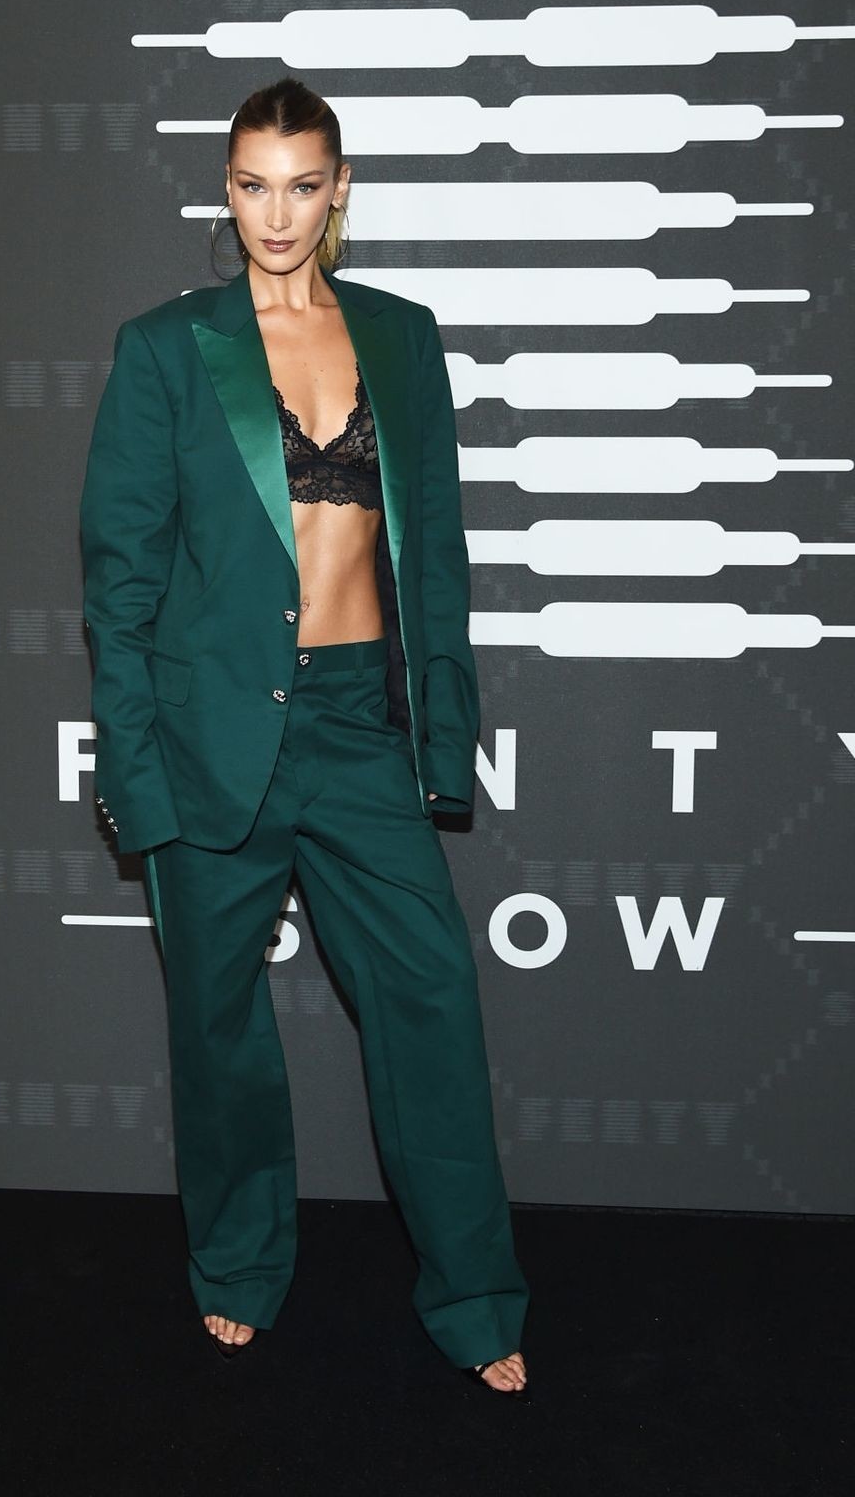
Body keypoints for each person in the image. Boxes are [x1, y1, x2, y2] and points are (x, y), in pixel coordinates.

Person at [78, 76, 530, 1393]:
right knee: (218, 1031)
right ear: (227, 194)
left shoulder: (400, 336)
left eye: (301, 185)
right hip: (210, 734)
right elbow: (118, 583)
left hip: (352, 726)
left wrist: (439, 732)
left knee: (431, 1004)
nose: (275, 215)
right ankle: (237, 1268)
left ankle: (476, 1297)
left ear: (338, 191)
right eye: (251, 186)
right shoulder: (169, 347)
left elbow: (434, 553)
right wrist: (133, 773)